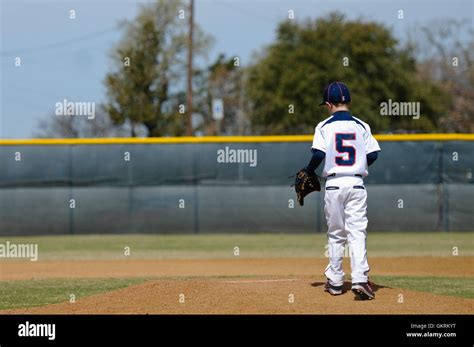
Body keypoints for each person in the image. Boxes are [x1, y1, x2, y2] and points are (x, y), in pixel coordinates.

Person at [305, 81, 381, 300]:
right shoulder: (362, 125)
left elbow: (318, 154)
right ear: (348, 101)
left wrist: (309, 170)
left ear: (328, 104)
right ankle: (359, 279)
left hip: (334, 184)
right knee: (357, 232)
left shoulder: (324, 126)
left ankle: (336, 282)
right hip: (356, 183)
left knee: (336, 234)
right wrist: (358, 165)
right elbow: (374, 154)